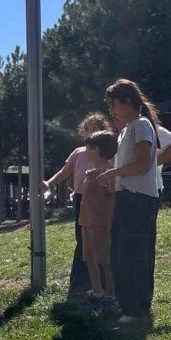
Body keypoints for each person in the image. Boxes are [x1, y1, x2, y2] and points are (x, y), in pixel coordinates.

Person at [90, 79, 160, 325]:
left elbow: (142, 164)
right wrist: (108, 176)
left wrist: (112, 174)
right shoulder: (126, 130)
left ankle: (136, 309)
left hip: (139, 199)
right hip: (126, 197)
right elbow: (128, 166)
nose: (111, 110)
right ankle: (127, 304)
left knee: (134, 254)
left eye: (113, 104)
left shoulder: (141, 125)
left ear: (128, 102)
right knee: (120, 254)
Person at [41, 113, 111, 294]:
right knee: (82, 239)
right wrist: (49, 183)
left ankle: (105, 285)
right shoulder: (79, 152)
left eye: (94, 128)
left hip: (101, 199)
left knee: (101, 240)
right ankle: (81, 281)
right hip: (81, 198)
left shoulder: (109, 153)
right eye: (87, 129)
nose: (89, 132)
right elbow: (65, 171)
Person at [79, 130, 118, 299]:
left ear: (97, 149)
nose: (85, 151)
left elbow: (112, 199)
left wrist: (109, 224)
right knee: (88, 257)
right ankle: (97, 291)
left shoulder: (109, 172)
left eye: (88, 148)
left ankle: (111, 293)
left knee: (104, 260)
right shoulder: (91, 171)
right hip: (86, 220)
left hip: (101, 222)